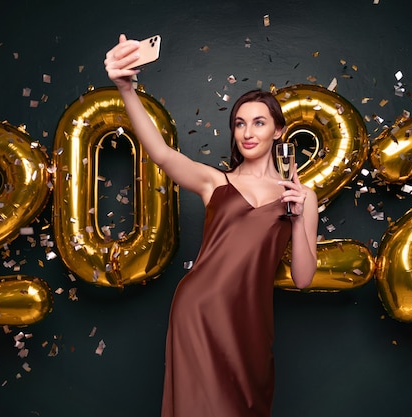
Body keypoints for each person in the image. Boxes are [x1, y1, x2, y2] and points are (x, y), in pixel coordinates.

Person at [104, 34, 318, 417]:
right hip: (199, 308)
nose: (248, 133)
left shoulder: (303, 195)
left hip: (251, 324)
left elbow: (303, 278)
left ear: (279, 131)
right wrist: (126, 90)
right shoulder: (215, 182)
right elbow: (160, 153)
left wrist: (298, 214)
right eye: (239, 124)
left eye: (258, 122)